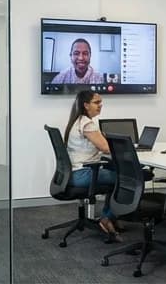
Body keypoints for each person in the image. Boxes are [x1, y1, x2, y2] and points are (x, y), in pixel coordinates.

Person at [63, 89, 121, 239]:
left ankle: (110, 217)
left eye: (101, 102)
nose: (100, 105)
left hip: (74, 173)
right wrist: (128, 149)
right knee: (127, 179)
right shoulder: (87, 124)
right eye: (96, 102)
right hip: (83, 174)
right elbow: (106, 148)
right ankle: (107, 218)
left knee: (115, 171)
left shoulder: (77, 121)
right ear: (86, 105)